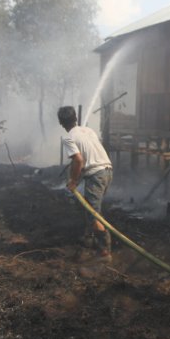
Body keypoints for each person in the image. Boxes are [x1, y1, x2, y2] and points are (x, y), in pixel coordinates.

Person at [57, 106, 113, 262]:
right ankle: (90, 239)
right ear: (75, 118)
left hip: (96, 174)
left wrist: (73, 181)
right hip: (108, 171)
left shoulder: (68, 138)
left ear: (61, 122)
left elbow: (79, 160)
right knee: (92, 208)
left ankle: (104, 251)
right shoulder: (89, 131)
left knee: (93, 215)